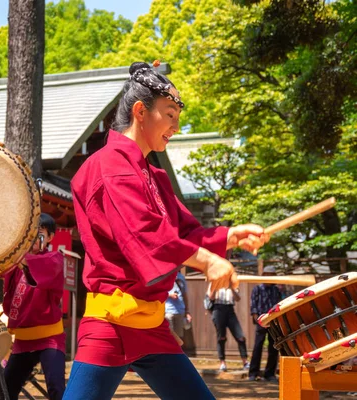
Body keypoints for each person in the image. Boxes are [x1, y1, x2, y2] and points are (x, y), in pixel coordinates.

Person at [63, 61, 269, 400]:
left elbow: (183, 234)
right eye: (169, 113)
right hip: (111, 323)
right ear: (141, 111)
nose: (176, 125)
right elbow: (144, 236)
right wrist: (208, 262)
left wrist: (231, 236)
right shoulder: (108, 166)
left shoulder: (153, 176)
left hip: (151, 324)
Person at [2, 213, 66, 400]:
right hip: (22, 339)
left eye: (39, 235)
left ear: (51, 237)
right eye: (28, 235)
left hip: (49, 337)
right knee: (6, 390)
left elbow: (44, 266)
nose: (33, 241)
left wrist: (19, 256)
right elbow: (1, 279)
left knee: (56, 389)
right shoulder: (16, 263)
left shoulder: (54, 258)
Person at [248, 266, 282, 382]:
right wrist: (258, 320)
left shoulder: (276, 290)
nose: (270, 277)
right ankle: (253, 373)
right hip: (261, 321)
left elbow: (278, 305)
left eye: (272, 275)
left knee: (273, 347)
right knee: (258, 346)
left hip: (273, 322)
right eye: (267, 274)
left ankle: (270, 374)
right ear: (263, 275)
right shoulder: (257, 289)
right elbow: (253, 306)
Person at [208, 285, 249, 372]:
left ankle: (245, 362)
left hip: (230, 309)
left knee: (240, 336)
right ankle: (222, 363)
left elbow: (238, 298)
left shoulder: (233, 283)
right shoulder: (214, 282)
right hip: (218, 308)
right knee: (221, 337)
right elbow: (210, 297)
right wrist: (216, 286)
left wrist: (231, 287)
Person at [165, 271, 191, 340]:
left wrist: (187, 311)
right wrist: (170, 295)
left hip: (180, 310)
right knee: (169, 336)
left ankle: (177, 351)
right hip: (168, 310)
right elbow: (160, 293)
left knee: (179, 338)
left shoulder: (181, 277)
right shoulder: (165, 276)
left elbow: (185, 295)